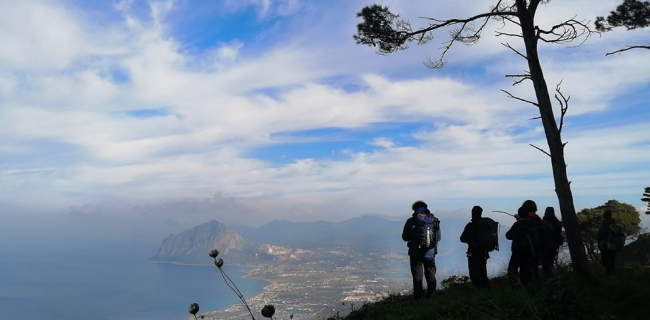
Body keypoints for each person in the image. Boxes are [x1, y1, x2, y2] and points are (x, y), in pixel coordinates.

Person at [402, 200, 441, 298]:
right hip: (430, 253)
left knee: (417, 277)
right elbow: (438, 237)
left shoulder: (411, 221)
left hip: (415, 253)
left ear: (414, 209)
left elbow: (405, 237)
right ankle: (432, 296)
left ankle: (418, 297)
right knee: (431, 275)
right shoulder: (434, 220)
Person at [505, 200, 542, 285]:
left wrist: (519, 219)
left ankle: (516, 289)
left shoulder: (520, 223)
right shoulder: (538, 220)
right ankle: (534, 289)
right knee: (530, 272)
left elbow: (508, 235)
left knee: (512, 270)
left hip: (519, 250)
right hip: (535, 250)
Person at [459, 205, 490, 289]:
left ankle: (477, 288)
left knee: (474, 271)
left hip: (473, 251)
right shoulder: (485, 225)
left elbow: (462, 238)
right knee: (483, 270)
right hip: (483, 251)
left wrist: (470, 241)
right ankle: (486, 287)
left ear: (472, 214)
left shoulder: (470, 225)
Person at [541, 207, 563, 277]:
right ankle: (550, 277)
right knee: (550, 262)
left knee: (546, 263)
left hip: (545, 246)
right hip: (554, 246)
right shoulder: (557, 222)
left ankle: (548, 277)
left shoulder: (544, 222)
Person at [597, 210, 617, 275]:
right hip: (613, 245)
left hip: (605, 246)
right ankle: (614, 276)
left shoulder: (605, 224)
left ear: (605, 216)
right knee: (612, 261)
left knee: (606, 262)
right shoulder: (614, 224)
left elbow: (599, 235)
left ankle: (609, 276)